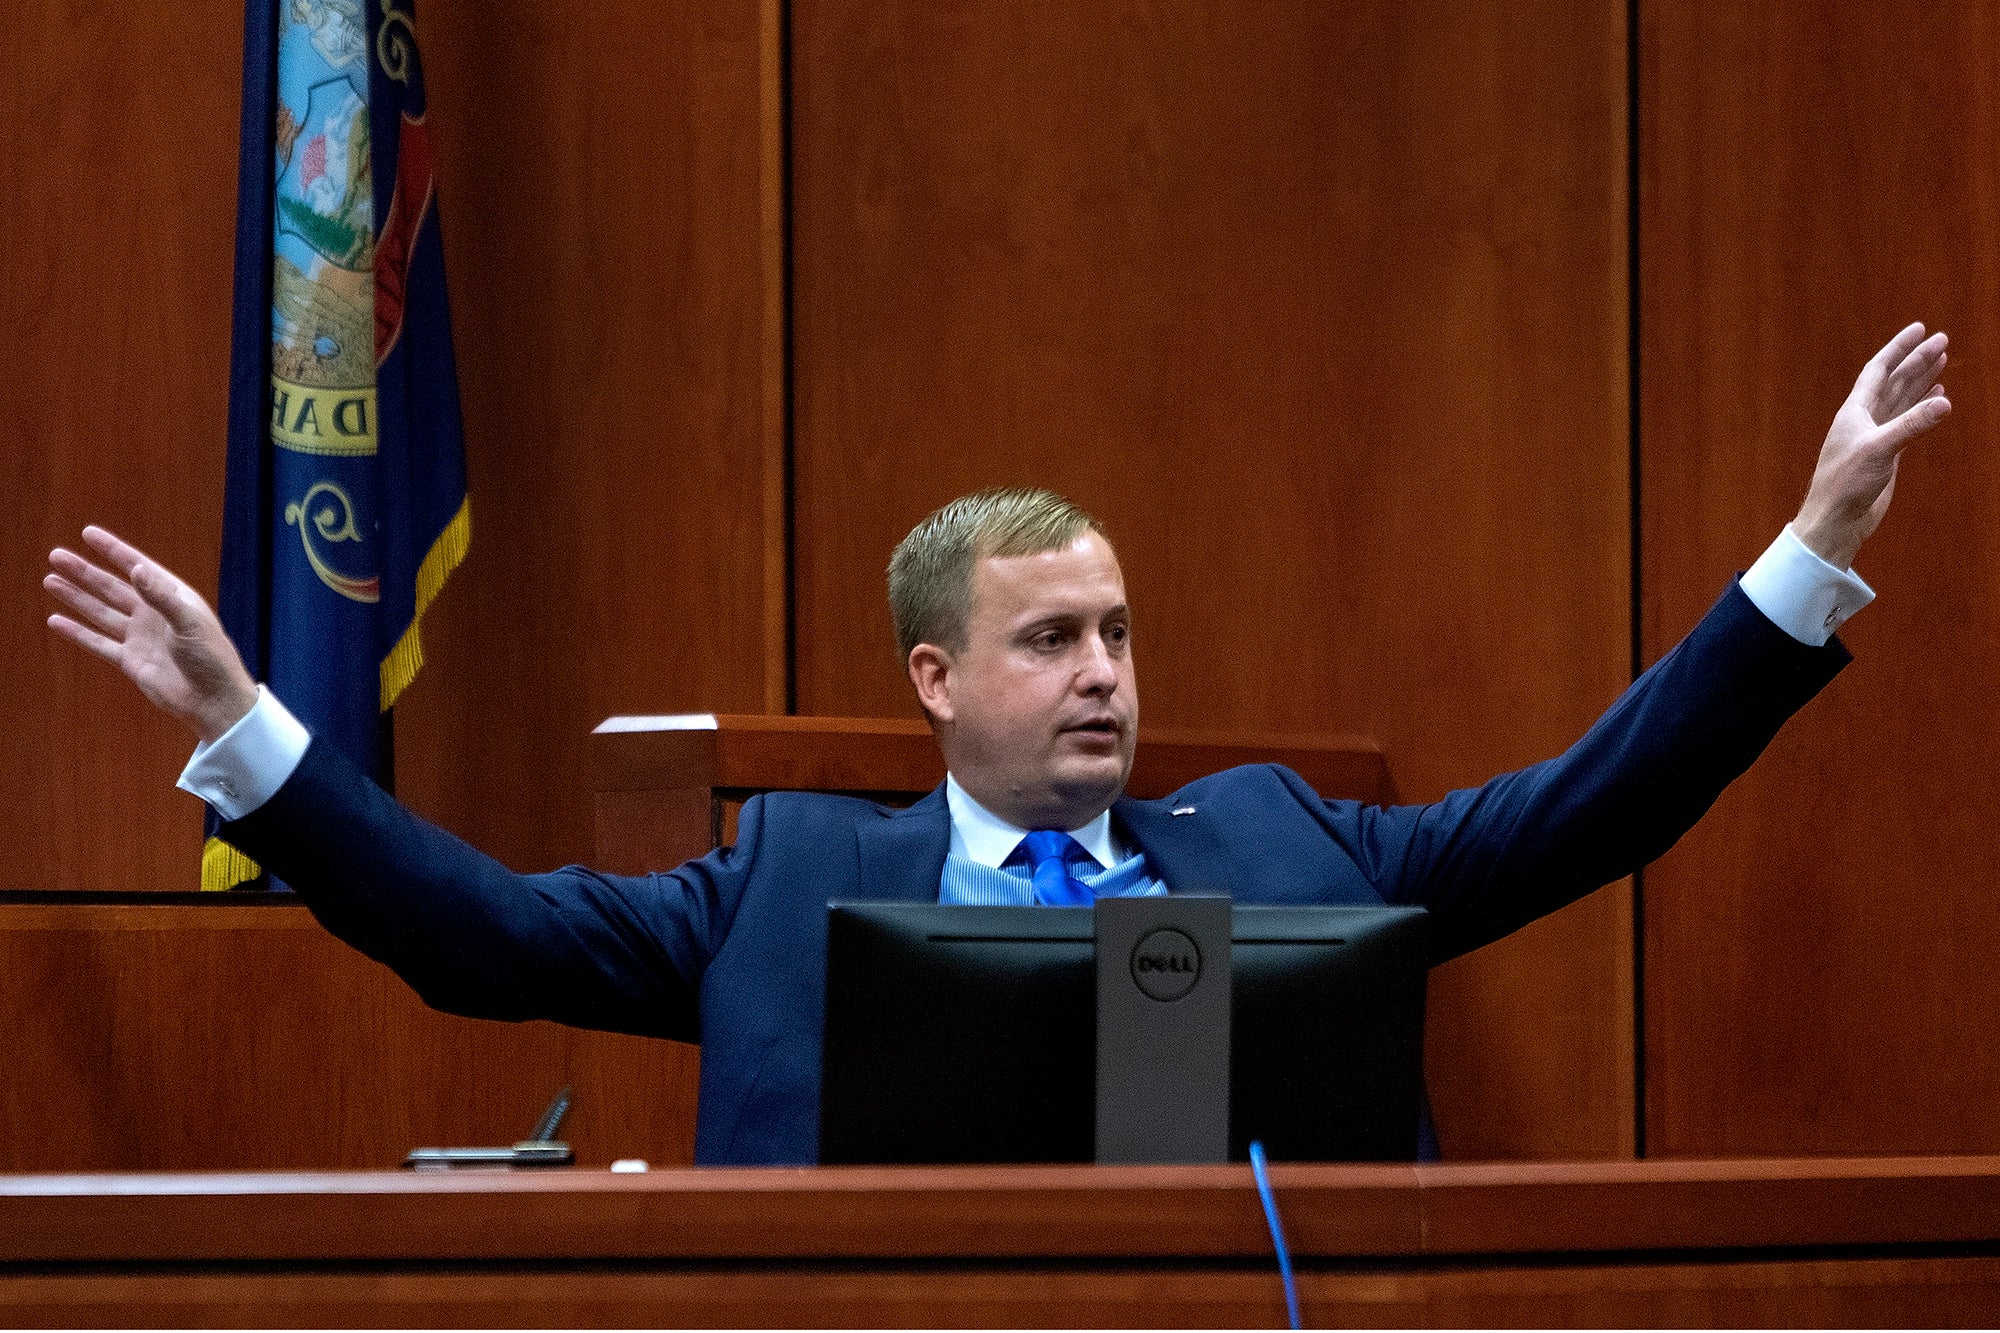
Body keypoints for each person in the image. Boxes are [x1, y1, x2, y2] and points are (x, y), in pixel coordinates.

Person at [45, 325, 1952, 1164]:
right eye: (1051, 640)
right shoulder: (786, 879)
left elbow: (1594, 806)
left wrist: (1807, 550)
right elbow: (484, 936)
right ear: (936, 681)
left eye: (1117, 632)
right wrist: (250, 731)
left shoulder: (1288, 843)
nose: (1104, 672)